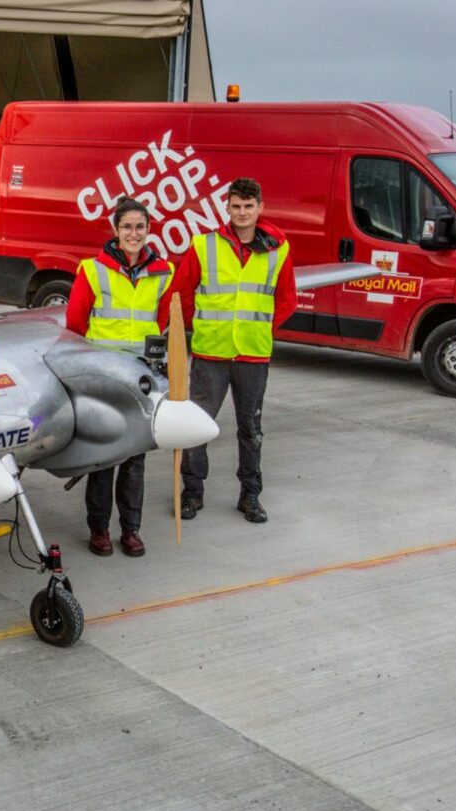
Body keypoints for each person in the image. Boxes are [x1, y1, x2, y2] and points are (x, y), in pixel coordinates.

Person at [168, 177, 297, 524]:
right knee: (197, 427)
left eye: (248, 206)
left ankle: (250, 495)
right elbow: (181, 293)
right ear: (227, 208)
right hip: (211, 353)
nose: (242, 212)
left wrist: (259, 329)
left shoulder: (278, 249)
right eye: (236, 206)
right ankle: (192, 493)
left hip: (253, 355)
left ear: (260, 208)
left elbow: (286, 300)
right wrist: (201, 327)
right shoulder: (205, 245)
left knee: (251, 429)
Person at [65, 197, 176, 557]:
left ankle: (131, 529)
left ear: (148, 230)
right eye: (126, 227)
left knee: (134, 458)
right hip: (103, 378)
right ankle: (99, 529)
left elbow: (165, 322)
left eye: (140, 227)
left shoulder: (164, 272)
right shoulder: (91, 269)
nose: (133, 233)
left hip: (140, 378)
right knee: (104, 457)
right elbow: (75, 324)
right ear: (115, 230)